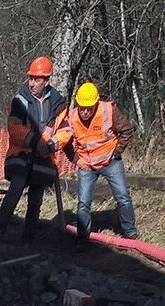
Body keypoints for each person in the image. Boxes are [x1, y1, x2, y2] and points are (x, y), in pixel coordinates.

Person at [51, 82, 137, 251]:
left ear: (96, 104)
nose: (84, 112)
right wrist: (76, 160)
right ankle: (83, 238)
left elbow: (127, 129)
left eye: (88, 108)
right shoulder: (71, 117)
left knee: (123, 197)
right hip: (87, 166)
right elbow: (66, 142)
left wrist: (116, 152)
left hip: (110, 162)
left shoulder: (108, 111)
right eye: (81, 107)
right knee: (83, 203)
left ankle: (130, 233)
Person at [0, 56, 66, 244]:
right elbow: (14, 127)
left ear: (47, 81)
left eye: (37, 79)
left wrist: (50, 145)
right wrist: (35, 141)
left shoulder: (58, 104)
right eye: (31, 78)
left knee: (36, 197)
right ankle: (0, 230)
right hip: (21, 155)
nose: (32, 83)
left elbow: (65, 130)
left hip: (43, 157)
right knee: (16, 186)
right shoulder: (20, 101)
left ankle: (29, 237)